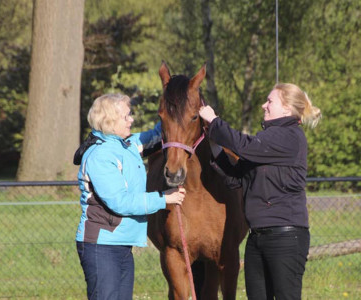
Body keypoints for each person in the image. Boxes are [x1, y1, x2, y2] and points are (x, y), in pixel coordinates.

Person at [199, 83, 321, 300]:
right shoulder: (266, 143)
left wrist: (215, 121)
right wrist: (214, 144)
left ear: (286, 109)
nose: (264, 105)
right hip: (257, 237)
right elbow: (236, 174)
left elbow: (244, 146)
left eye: (270, 101)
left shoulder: (289, 136)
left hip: (286, 237)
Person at [74, 93, 186, 300]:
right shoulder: (100, 155)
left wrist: (174, 109)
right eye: (126, 116)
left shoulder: (126, 145)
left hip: (122, 245)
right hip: (101, 246)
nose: (132, 120)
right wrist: (163, 199)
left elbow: (156, 134)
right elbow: (121, 202)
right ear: (109, 120)